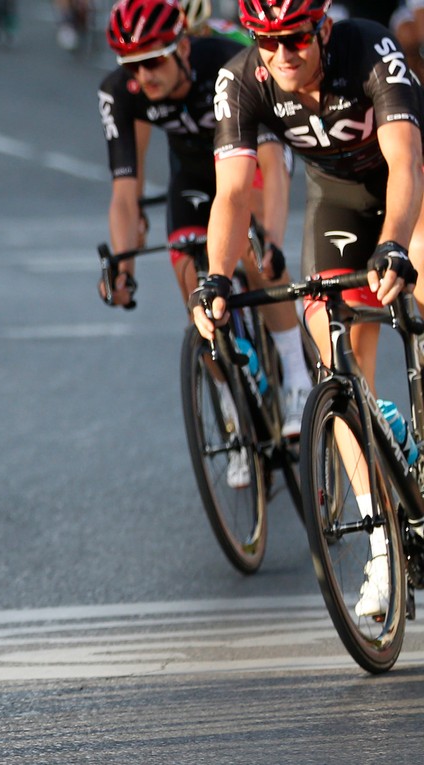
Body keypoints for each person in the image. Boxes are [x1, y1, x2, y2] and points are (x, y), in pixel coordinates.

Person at [189, 0, 424, 618]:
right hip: (339, 201)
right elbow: (234, 192)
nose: (283, 53)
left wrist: (395, 244)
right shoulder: (241, 81)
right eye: (268, 41)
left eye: (295, 38)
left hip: (412, 191)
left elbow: (406, 160)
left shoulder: (367, 48)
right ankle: (381, 548)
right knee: (333, 354)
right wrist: (214, 278)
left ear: (320, 29)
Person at [98, 0, 313, 469]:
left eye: (154, 61)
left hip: (253, 157)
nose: (144, 77)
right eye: (133, 66)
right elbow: (123, 192)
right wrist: (123, 266)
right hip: (195, 173)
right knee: (189, 279)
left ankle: (297, 374)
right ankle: (233, 407)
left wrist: (272, 240)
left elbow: (273, 166)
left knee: (255, 253)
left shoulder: (225, 62)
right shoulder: (121, 90)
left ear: (183, 46)